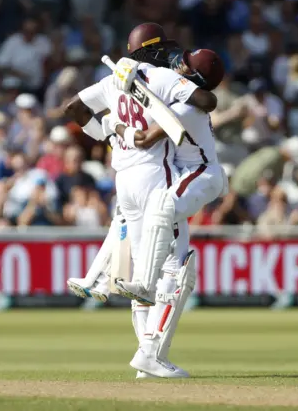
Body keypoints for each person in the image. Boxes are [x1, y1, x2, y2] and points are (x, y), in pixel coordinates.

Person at [58, 23, 217, 379]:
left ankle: (144, 348)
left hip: (123, 180)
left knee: (142, 269)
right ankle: (150, 353)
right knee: (175, 270)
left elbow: (73, 108)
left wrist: (111, 135)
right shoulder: (160, 77)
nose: (169, 55)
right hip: (153, 180)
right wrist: (131, 127)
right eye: (162, 49)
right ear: (151, 51)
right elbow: (207, 100)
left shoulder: (113, 80)